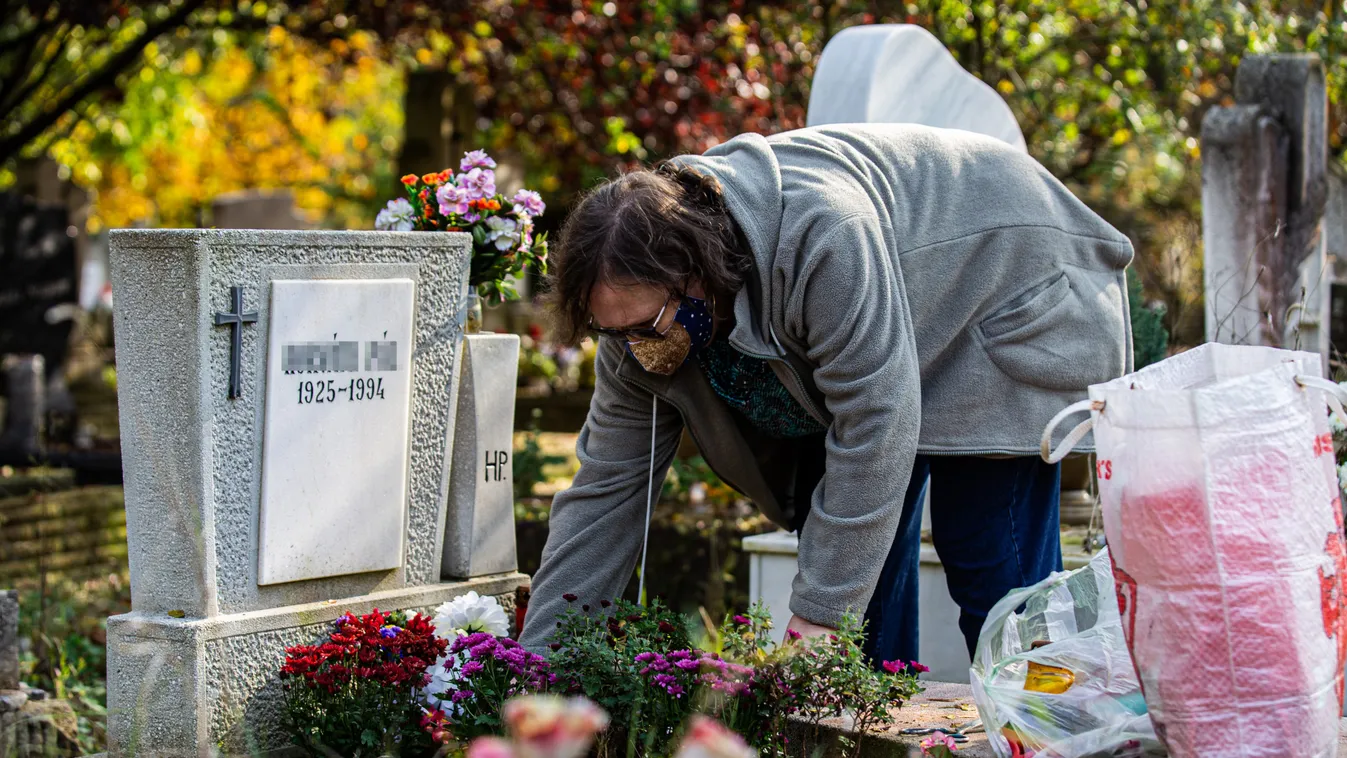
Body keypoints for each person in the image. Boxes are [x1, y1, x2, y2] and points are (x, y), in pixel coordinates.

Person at [518, 123, 1132, 664]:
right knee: (856, 577)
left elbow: (877, 419)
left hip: (1009, 287)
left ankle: (1042, 729)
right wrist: (535, 672)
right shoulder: (638, 330)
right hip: (905, 322)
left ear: (698, 273)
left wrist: (820, 620)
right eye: (612, 332)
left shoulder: (823, 236)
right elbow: (604, 494)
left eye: (647, 327)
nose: (634, 349)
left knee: (985, 548)